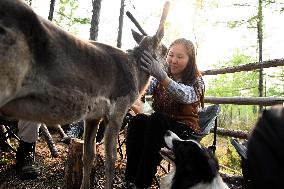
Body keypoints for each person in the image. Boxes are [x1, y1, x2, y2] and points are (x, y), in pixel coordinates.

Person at [123, 38, 205, 189]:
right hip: (158, 125)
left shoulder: (196, 81)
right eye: (171, 55)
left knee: (157, 119)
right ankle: (130, 179)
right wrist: (135, 67)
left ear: (190, 60)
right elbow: (144, 88)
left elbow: (183, 96)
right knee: (138, 121)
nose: (173, 60)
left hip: (184, 130)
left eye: (180, 57)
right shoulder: (161, 75)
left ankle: (141, 184)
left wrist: (162, 76)